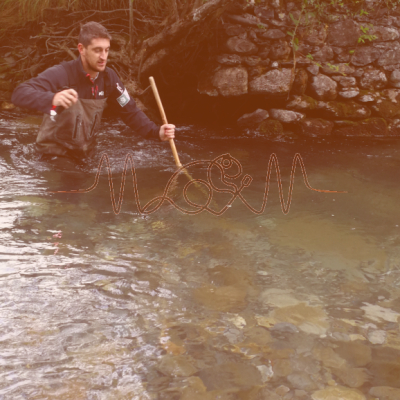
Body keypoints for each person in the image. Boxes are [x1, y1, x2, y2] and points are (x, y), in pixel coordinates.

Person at [11, 21, 175, 160]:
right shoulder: (62, 73)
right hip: (53, 158)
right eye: (97, 50)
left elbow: (130, 111)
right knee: (76, 192)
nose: (104, 57)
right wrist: (52, 99)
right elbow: (19, 93)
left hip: (86, 157)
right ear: (81, 49)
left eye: (107, 50)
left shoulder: (109, 78)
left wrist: (156, 132)